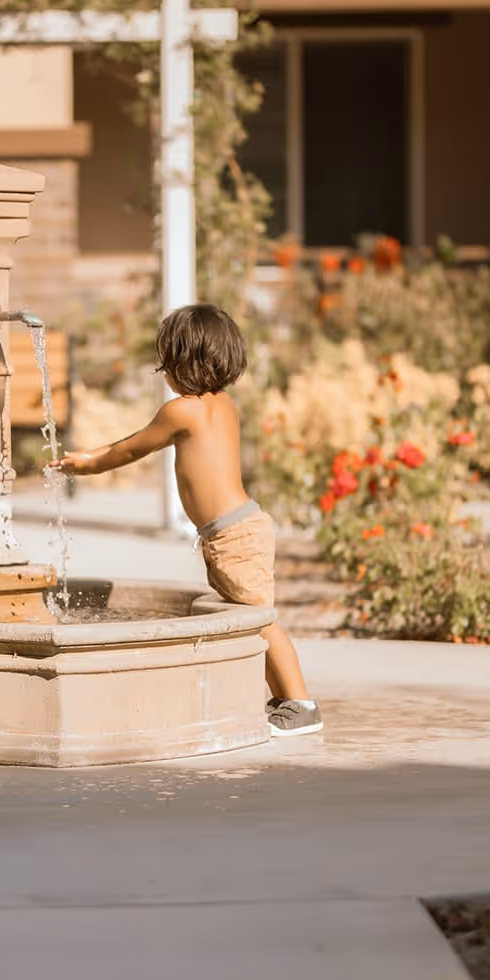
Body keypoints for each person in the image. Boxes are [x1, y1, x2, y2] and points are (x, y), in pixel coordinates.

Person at [53, 304, 323, 737]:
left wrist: (87, 463)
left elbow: (130, 449)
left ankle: (301, 703)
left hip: (236, 535)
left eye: (167, 365)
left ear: (183, 363)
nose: (165, 376)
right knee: (250, 619)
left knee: (262, 619)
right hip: (234, 530)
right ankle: (283, 700)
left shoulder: (182, 411)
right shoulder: (225, 405)